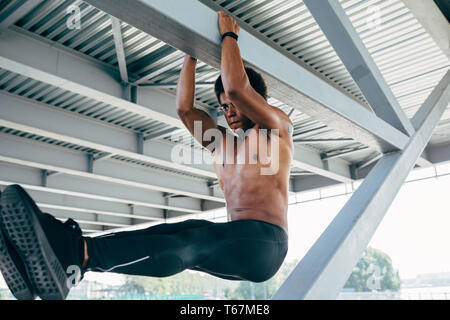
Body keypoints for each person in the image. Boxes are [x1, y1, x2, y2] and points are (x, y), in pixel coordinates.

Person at [0, 12, 293, 300]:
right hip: (236, 242)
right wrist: (191, 53)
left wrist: (229, 36)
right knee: (169, 233)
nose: (229, 112)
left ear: (259, 102)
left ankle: (79, 256)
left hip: (266, 243)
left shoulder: (276, 129)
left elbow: (237, 89)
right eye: (224, 107)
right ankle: (68, 250)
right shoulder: (222, 144)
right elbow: (185, 110)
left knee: (190, 241)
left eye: (234, 105)